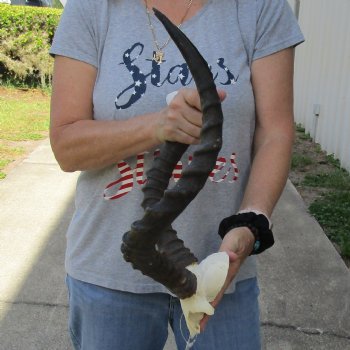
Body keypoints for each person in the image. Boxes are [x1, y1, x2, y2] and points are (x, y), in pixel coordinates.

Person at [49, 0, 304, 349]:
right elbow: (66, 146)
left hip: (220, 268)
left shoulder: (259, 8)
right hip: (109, 276)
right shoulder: (93, 8)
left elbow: (275, 131)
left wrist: (250, 221)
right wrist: (157, 126)